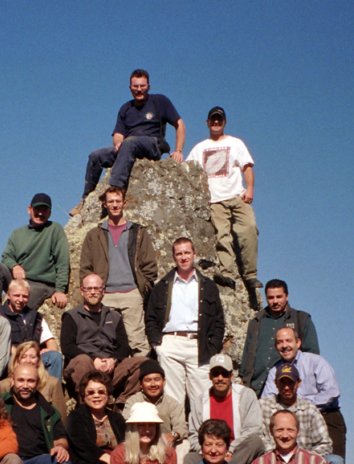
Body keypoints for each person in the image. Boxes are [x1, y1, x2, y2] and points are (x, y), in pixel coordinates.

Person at [77, 69, 185, 208]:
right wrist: (117, 144)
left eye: (142, 86)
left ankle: (116, 190)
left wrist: (179, 150)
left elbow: (179, 124)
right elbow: (118, 134)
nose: (139, 90)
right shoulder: (125, 108)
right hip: (128, 147)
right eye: (135, 86)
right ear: (130, 88)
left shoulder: (159, 101)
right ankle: (85, 201)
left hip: (151, 144)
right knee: (96, 156)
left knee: (130, 142)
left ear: (149, 86)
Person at [186, 107, 261, 301]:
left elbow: (247, 167)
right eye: (213, 120)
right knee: (222, 235)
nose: (216, 123)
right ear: (207, 123)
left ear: (225, 122)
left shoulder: (235, 143)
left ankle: (250, 274)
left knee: (249, 228)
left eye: (219, 120)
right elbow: (187, 170)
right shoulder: (200, 148)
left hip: (237, 196)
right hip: (215, 200)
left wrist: (250, 188)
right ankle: (227, 273)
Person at [145, 238, 225, 409]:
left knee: (201, 398)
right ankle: (177, 435)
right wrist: (157, 345)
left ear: (194, 255)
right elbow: (150, 317)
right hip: (170, 344)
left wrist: (212, 348)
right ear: (173, 257)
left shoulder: (208, 286)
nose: (183, 257)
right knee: (173, 399)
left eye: (187, 253)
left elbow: (219, 321)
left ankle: (200, 435)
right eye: (179, 254)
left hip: (199, 345)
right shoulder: (162, 286)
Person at [78, 186, 158, 355]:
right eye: (111, 201)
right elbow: (85, 267)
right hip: (105, 296)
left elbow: (150, 265)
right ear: (104, 205)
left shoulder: (138, 232)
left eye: (118, 201)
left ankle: (140, 379)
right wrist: (94, 291)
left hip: (132, 294)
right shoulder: (94, 235)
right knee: (106, 343)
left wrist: (141, 288)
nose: (115, 205)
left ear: (124, 203)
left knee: (137, 343)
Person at [61, 273, 146, 406]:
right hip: (84, 368)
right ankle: (85, 406)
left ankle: (122, 405)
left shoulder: (114, 317)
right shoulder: (71, 316)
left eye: (97, 289)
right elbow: (67, 347)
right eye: (89, 289)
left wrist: (113, 360)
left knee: (143, 362)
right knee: (82, 361)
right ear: (82, 291)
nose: (93, 292)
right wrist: (93, 360)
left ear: (103, 291)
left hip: (110, 369)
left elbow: (123, 347)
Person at [0, 193, 69, 310]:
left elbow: (62, 261)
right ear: (29, 209)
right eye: (37, 209)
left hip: (40, 284)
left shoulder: (55, 229)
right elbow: (6, 257)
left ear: (49, 213)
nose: (40, 213)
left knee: (18, 308)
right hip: (18, 281)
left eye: (44, 210)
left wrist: (60, 290)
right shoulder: (17, 233)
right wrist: (14, 266)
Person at [259, 361, 340, 464]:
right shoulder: (262, 406)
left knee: (336, 462)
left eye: (290, 382)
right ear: (275, 383)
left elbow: (325, 444)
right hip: (272, 462)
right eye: (282, 382)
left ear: (298, 383)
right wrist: (281, 458)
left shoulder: (310, 410)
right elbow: (259, 438)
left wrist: (302, 459)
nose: (286, 387)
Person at [240, 279, 319, 396]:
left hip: (287, 388)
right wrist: (243, 379)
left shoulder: (301, 320)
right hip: (255, 388)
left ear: (287, 296)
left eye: (279, 297)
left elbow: (313, 357)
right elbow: (247, 353)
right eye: (271, 298)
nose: (275, 301)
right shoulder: (256, 321)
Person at [187, 354, 265, 464]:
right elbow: (194, 434)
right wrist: (205, 452)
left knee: (255, 442)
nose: (220, 378)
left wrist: (230, 450)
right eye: (216, 374)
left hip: (236, 453)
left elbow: (253, 429)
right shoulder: (200, 401)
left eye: (225, 374)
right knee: (190, 458)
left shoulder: (246, 395)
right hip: (209, 452)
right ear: (210, 376)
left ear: (232, 376)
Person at [65, 370, 125, 464]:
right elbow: (82, 444)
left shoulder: (117, 418)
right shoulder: (76, 417)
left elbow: (126, 442)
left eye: (101, 391)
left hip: (116, 461)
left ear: (108, 394)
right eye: (91, 392)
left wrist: (118, 460)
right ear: (84, 396)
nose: (96, 395)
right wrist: (107, 458)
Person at [122, 359, 189, 464]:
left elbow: (182, 427)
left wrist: (173, 435)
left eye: (157, 379)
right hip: (140, 443)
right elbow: (126, 425)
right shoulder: (132, 401)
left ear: (164, 382)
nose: (153, 384)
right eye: (148, 380)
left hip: (165, 445)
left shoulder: (172, 404)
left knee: (184, 445)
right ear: (141, 384)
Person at [0, 278, 64, 380]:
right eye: (16, 295)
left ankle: (51, 392)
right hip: (12, 358)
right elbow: (0, 344)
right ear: (8, 295)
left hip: (33, 358)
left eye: (25, 296)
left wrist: (45, 350)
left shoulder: (35, 316)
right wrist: (23, 356)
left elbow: (52, 342)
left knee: (55, 357)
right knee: (7, 360)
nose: (20, 300)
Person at [0, 341, 68, 418]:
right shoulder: (4, 385)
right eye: (23, 357)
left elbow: (60, 417)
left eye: (32, 357)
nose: (28, 360)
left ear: (38, 361)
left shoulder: (52, 383)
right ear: (17, 360)